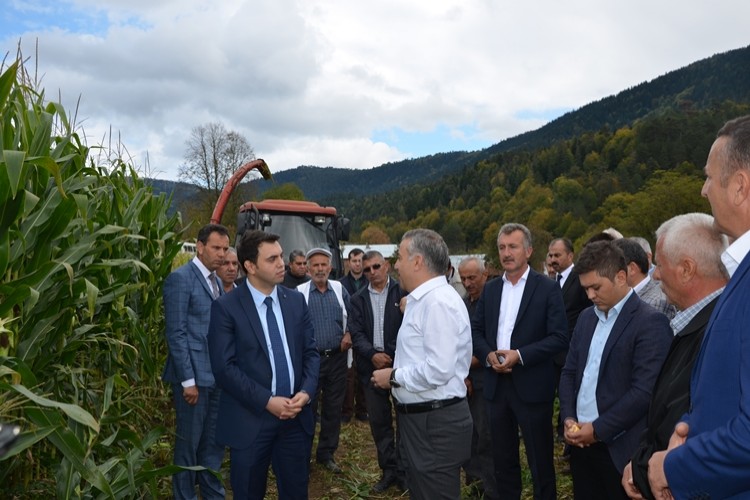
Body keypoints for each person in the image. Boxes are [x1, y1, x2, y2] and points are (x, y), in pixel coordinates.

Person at [648, 115, 750, 499]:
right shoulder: (740, 270)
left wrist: (673, 466)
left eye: (709, 177)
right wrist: (686, 432)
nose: (704, 190)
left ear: (739, 186)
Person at [620, 213, 727, 500]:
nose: (654, 274)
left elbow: (679, 421)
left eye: (660, 265)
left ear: (686, 269)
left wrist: (641, 469)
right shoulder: (697, 323)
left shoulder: (717, 332)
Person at [206, 230, 320, 499]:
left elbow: (311, 353)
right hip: (250, 421)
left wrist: (305, 392)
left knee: (295, 492)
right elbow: (224, 368)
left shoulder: (295, 300)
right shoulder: (226, 307)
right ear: (250, 266)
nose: (282, 263)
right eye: (272, 259)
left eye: (281, 256)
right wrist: (267, 401)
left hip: (295, 417)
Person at [559, 240, 672, 500]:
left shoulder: (650, 322)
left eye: (596, 287)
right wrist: (568, 418)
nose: (589, 296)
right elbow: (569, 373)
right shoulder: (587, 319)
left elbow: (644, 392)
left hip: (622, 451)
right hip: (580, 447)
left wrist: (597, 429)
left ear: (621, 277)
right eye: (585, 288)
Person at [372, 228, 473, 500]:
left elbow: (438, 369)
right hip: (423, 420)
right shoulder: (425, 300)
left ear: (417, 262)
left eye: (401, 257)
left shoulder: (438, 303)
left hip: (435, 423)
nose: (395, 265)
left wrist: (393, 377)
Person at [471, 223, 569, 500]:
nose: (506, 253)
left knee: (540, 462)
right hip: (496, 386)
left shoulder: (547, 289)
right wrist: (488, 354)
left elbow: (560, 337)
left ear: (528, 250)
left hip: (532, 386)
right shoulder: (490, 290)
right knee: (502, 460)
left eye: (512, 246)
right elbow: (475, 332)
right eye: (502, 247)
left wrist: (520, 355)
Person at [162, 223, 229, 500]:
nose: (222, 255)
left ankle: (213, 495)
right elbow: (176, 333)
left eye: (225, 249)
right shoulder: (181, 279)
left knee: (213, 444)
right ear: (200, 247)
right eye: (216, 248)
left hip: (216, 379)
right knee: (188, 447)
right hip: (193, 382)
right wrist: (188, 380)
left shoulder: (217, 283)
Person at [349, 250, 408, 493]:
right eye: (367, 269)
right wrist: (373, 355)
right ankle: (389, 471)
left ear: (386, 266)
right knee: (380, 423)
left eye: (375, 267)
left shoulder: (403, 293)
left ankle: (404, 471)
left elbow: (409, 327)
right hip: (370, 369)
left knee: (405, 421)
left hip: (400, 366)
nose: (372, 273)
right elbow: (356, 332)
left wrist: (391, 356)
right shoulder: (358, 299)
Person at [297, 247, 351, 473]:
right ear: (308, 269)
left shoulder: (339, 289)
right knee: (307, 408)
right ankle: (303, 455)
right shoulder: (299, 293)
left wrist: (349, 334)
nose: (320, 269)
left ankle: (326, 454)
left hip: (337, 359)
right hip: (311, 361)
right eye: (315, 265)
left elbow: (353, 316)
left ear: (330, 268)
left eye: (323, 265)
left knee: (333, 408)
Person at [457, 256, 498, 499]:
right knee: (468, 435)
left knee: (486, 436)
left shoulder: (493, 304)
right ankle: (474, 485)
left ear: (484, 275)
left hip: (486, 379)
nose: (468, 282)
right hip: (464, 380)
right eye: (463, 278)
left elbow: (493, 344)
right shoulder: (462, 304)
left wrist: (466, 365)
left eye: (472, 277)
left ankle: (491, 489)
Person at [547, 237, 592, 442]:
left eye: (558, 255)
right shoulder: (551, 282)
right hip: (553, 352)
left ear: (570, 256)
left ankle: (571, 435)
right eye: (551, 255)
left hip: (573, 350)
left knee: (572, 394)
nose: (553, 259)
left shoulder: (579, 279)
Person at [339, 247, 368, 424]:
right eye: (354, 261)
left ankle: (363, 409)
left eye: (360, 261)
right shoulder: (340, 284)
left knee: (364, 372)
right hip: (347, 332)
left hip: (365, 332)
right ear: (349, 262)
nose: (358, 264)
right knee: (348, 374)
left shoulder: (369, 280)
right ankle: (346, 410)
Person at [613, 238, 676, 320]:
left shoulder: (657, 302)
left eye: (612, 268)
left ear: (632, 269)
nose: (606, 275)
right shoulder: (621, 296)